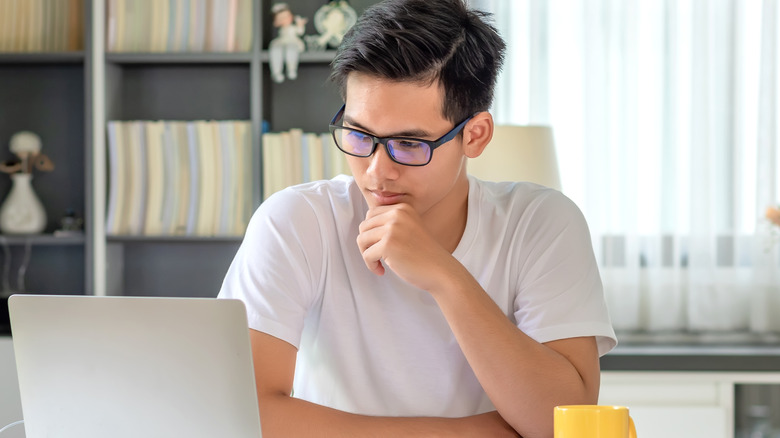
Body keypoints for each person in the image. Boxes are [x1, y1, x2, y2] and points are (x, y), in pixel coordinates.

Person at [218, 0, 617, 436]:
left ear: (475, 135)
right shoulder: (296, 221)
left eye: (408, 144)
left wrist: (445, 277)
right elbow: (242, 413)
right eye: (358, 134)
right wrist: (471, 433)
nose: (376, 171)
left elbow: (565, 423)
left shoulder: (541, 223)